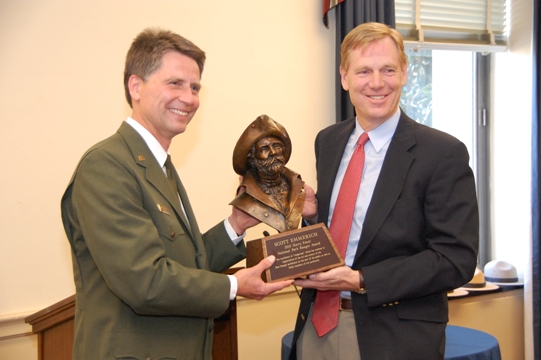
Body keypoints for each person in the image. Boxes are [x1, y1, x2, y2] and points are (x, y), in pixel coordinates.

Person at [61, 28, 295, 360]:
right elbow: (145, 281)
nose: (188, 98)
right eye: (175, 83)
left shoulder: (159, 165)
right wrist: (234, 286)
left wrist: (236, 224)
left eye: (195, 87)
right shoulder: (106, 165)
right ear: (136, 86)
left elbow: (185, 263)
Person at [289, 22, 479, 360]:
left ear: (404, 73)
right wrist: (313, 216)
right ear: (345, 77)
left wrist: (360, 279)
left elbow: (455, 260)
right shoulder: (328, 141)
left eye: (388, 70)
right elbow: (346, 231)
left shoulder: (442, 153)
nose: (377, 83)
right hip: (316, 328)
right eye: (363, 71)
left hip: (395, 338)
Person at [230, 115, 306, 233]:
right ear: (252, 158)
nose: (273, 152)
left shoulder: (298, 188)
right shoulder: (247, 197)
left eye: (277, 146)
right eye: (264, 148)